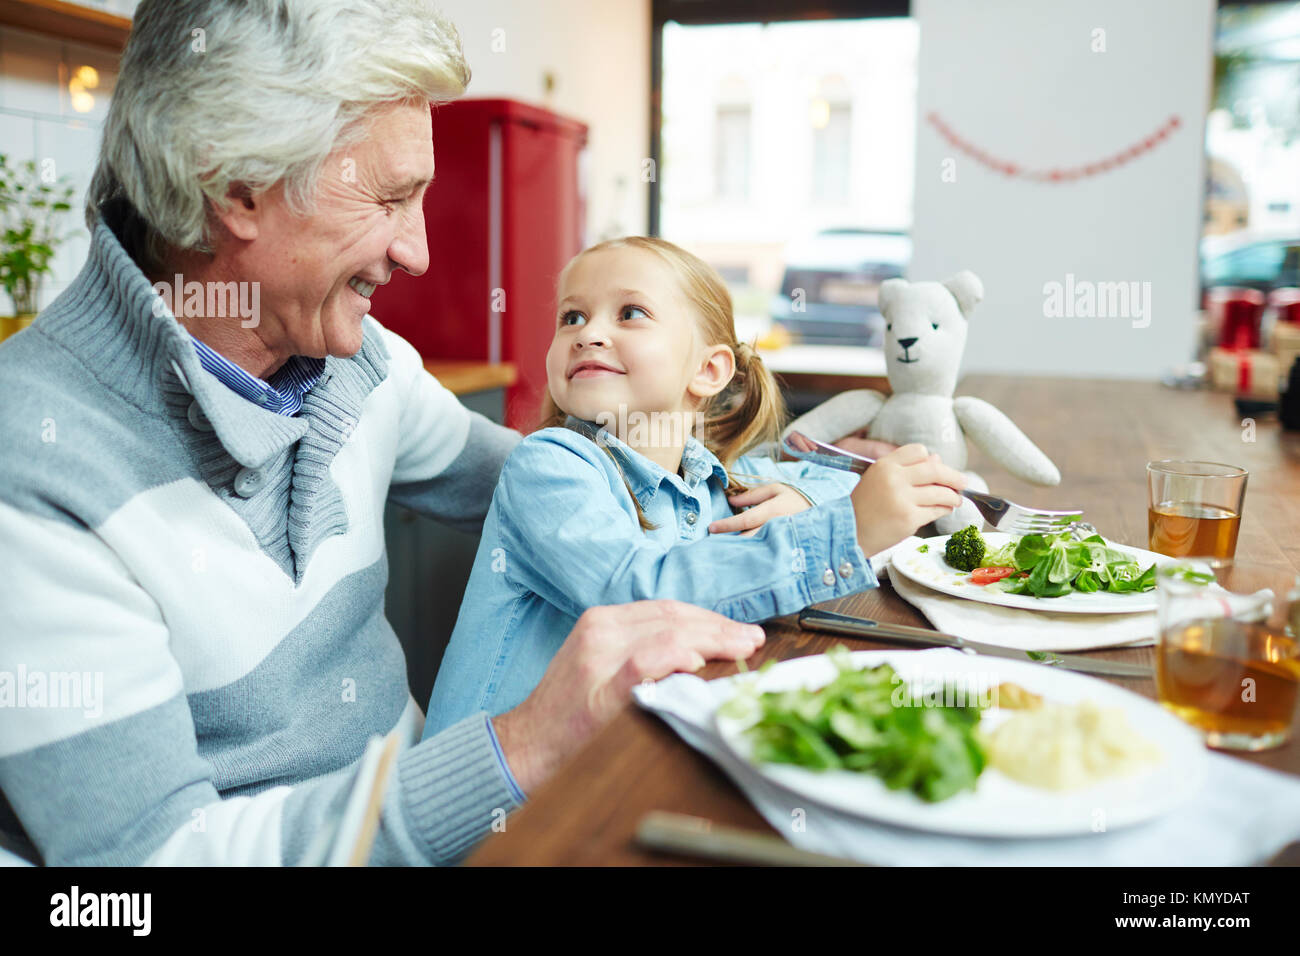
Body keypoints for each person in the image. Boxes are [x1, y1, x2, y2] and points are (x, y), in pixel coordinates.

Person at [0, 0, 772, 867]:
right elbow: (142, 875)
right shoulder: (32, 468)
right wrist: (521, 747)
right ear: (236, 189)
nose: (419, 252)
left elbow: (561, 486)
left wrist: (742, 489)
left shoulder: (362, 365)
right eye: (391, 197)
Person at [425, 237, 966, 734]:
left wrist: (807, 499)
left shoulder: (705, 478)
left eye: (630, 313)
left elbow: (814, 477)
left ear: (709, 371)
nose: (588, 332)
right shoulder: (548, 467)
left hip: (626, 753)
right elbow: (637, 597)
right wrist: (849, 527)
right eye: (572, 316)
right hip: (502, 806)